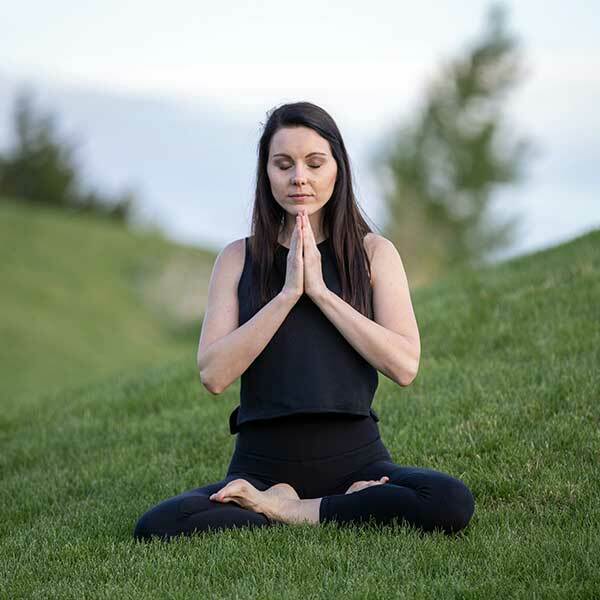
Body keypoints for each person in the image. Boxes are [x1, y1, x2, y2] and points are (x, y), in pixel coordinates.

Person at [133, 101, 475, 541]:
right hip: (260, 468)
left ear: (338, 168)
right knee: (158, 525)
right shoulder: (236, 258)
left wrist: (322, 293)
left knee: (449, 501)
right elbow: (213, 374)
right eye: (283, 164)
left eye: (315, 163)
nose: (300, 177)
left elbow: (405, 366)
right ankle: (323, 505)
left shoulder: (374, 254)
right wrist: (289, 293)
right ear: (267, 173)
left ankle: (291, 510)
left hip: (359, 461)